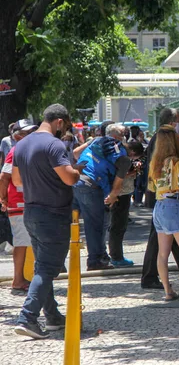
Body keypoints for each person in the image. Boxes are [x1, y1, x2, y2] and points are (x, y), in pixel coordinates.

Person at [12, 104, 82, 339]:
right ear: (59, 122)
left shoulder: (21, 144)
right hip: (53, 214)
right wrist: (76, 170)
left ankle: (52, 316)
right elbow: (70, 179)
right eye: (66, 126)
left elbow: (17, 179)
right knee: (48, 267)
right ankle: (28, 317)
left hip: (31, 211)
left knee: (42, 265)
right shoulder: (54, 144)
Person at [141, 108, 179, 289]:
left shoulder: (155, 162)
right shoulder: (175, 162)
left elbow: (152, 186)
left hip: (160, 205)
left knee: (162, 254)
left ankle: (167, 291)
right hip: (174, 205)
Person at [74, 124, 131, 271]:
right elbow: (121, 173)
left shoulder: (95, 141)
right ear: (120, 137)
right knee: (96, 225)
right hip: (93, 185)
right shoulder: (119, 151)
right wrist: (113, 195)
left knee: (91, 223)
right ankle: (95, 260)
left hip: (77, 180)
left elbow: (75, 153)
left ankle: (100, 256)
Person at [0, 120, 38, 291]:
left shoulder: (24, 150)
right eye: (28, 132)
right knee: (21, 242)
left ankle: (22, 278)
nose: (32, 135)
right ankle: (18, 279)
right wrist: (3, 198)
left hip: (26, 200)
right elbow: (4, 176)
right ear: (17, 136)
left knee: (25, 241)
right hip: (19, 201)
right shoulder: (16, 151)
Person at [108, 141, 144, 268]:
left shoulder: (118, 154)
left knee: (116, 225)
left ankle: (114, 255)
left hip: (119, 193)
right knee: (118, 226)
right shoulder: (124, 159)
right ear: (133, 153)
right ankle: (116, 256)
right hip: (121, 194)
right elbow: (120, 175)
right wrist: (133, 171)